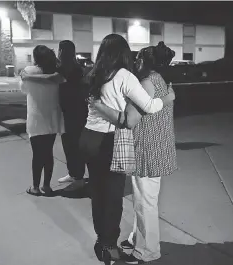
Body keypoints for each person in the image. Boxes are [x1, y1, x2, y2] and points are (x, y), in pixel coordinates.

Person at [79, 34, 175, 265]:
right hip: (108, 140)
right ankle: (109, 247)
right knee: (113, 197)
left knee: (98, 193)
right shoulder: (125, 76)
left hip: (88, 137)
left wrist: (100, 107)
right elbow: (145, 110)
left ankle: (102, 240)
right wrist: (169, 97)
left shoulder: (94, 74)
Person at [20, 45, 66, 196]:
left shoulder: (28, 71)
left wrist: (27, 78)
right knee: (48, 153)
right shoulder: (55, 71)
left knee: (37, 154)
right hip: (52, 117)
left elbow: (23, 89)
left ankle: (35, 187)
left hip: (36, 117)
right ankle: (46, 186)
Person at [55, 41, 88, 191]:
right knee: (70, 145)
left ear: (61, 51)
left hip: (72, 113)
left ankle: (78, 178)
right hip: (75, 112)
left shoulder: (65, 70)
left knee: (72, 146)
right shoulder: (77, 69)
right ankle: (74, 174)